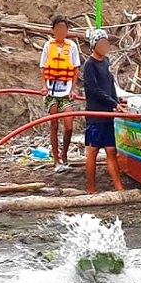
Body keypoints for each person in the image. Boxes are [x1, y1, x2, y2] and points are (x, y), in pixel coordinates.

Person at [82, 28, 125, 194]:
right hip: (96, 114)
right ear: (94, 45)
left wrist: (118, 102)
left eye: (106, 43)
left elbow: (110, 85)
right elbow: (94, 90)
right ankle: (91, 189)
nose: (105, 46)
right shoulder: (89, 65)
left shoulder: (106, 62)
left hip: (109, 114)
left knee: (111, 150)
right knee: (92, 150)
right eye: (101, 43)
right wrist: (113, 103)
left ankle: (118, 187)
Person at [39, 15, 81, 173]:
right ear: (53, 30)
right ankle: (55, 159)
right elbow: (43, 67)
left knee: (69, 126)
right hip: (51, 91)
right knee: (54, 125)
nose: (60, 32)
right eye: (58, 29)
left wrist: (73, 89)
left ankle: (64, 154)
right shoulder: (48, 46)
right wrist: (44, 86)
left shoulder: (72, 47)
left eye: (64, 28)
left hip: (65, 90)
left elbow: (76, 68)